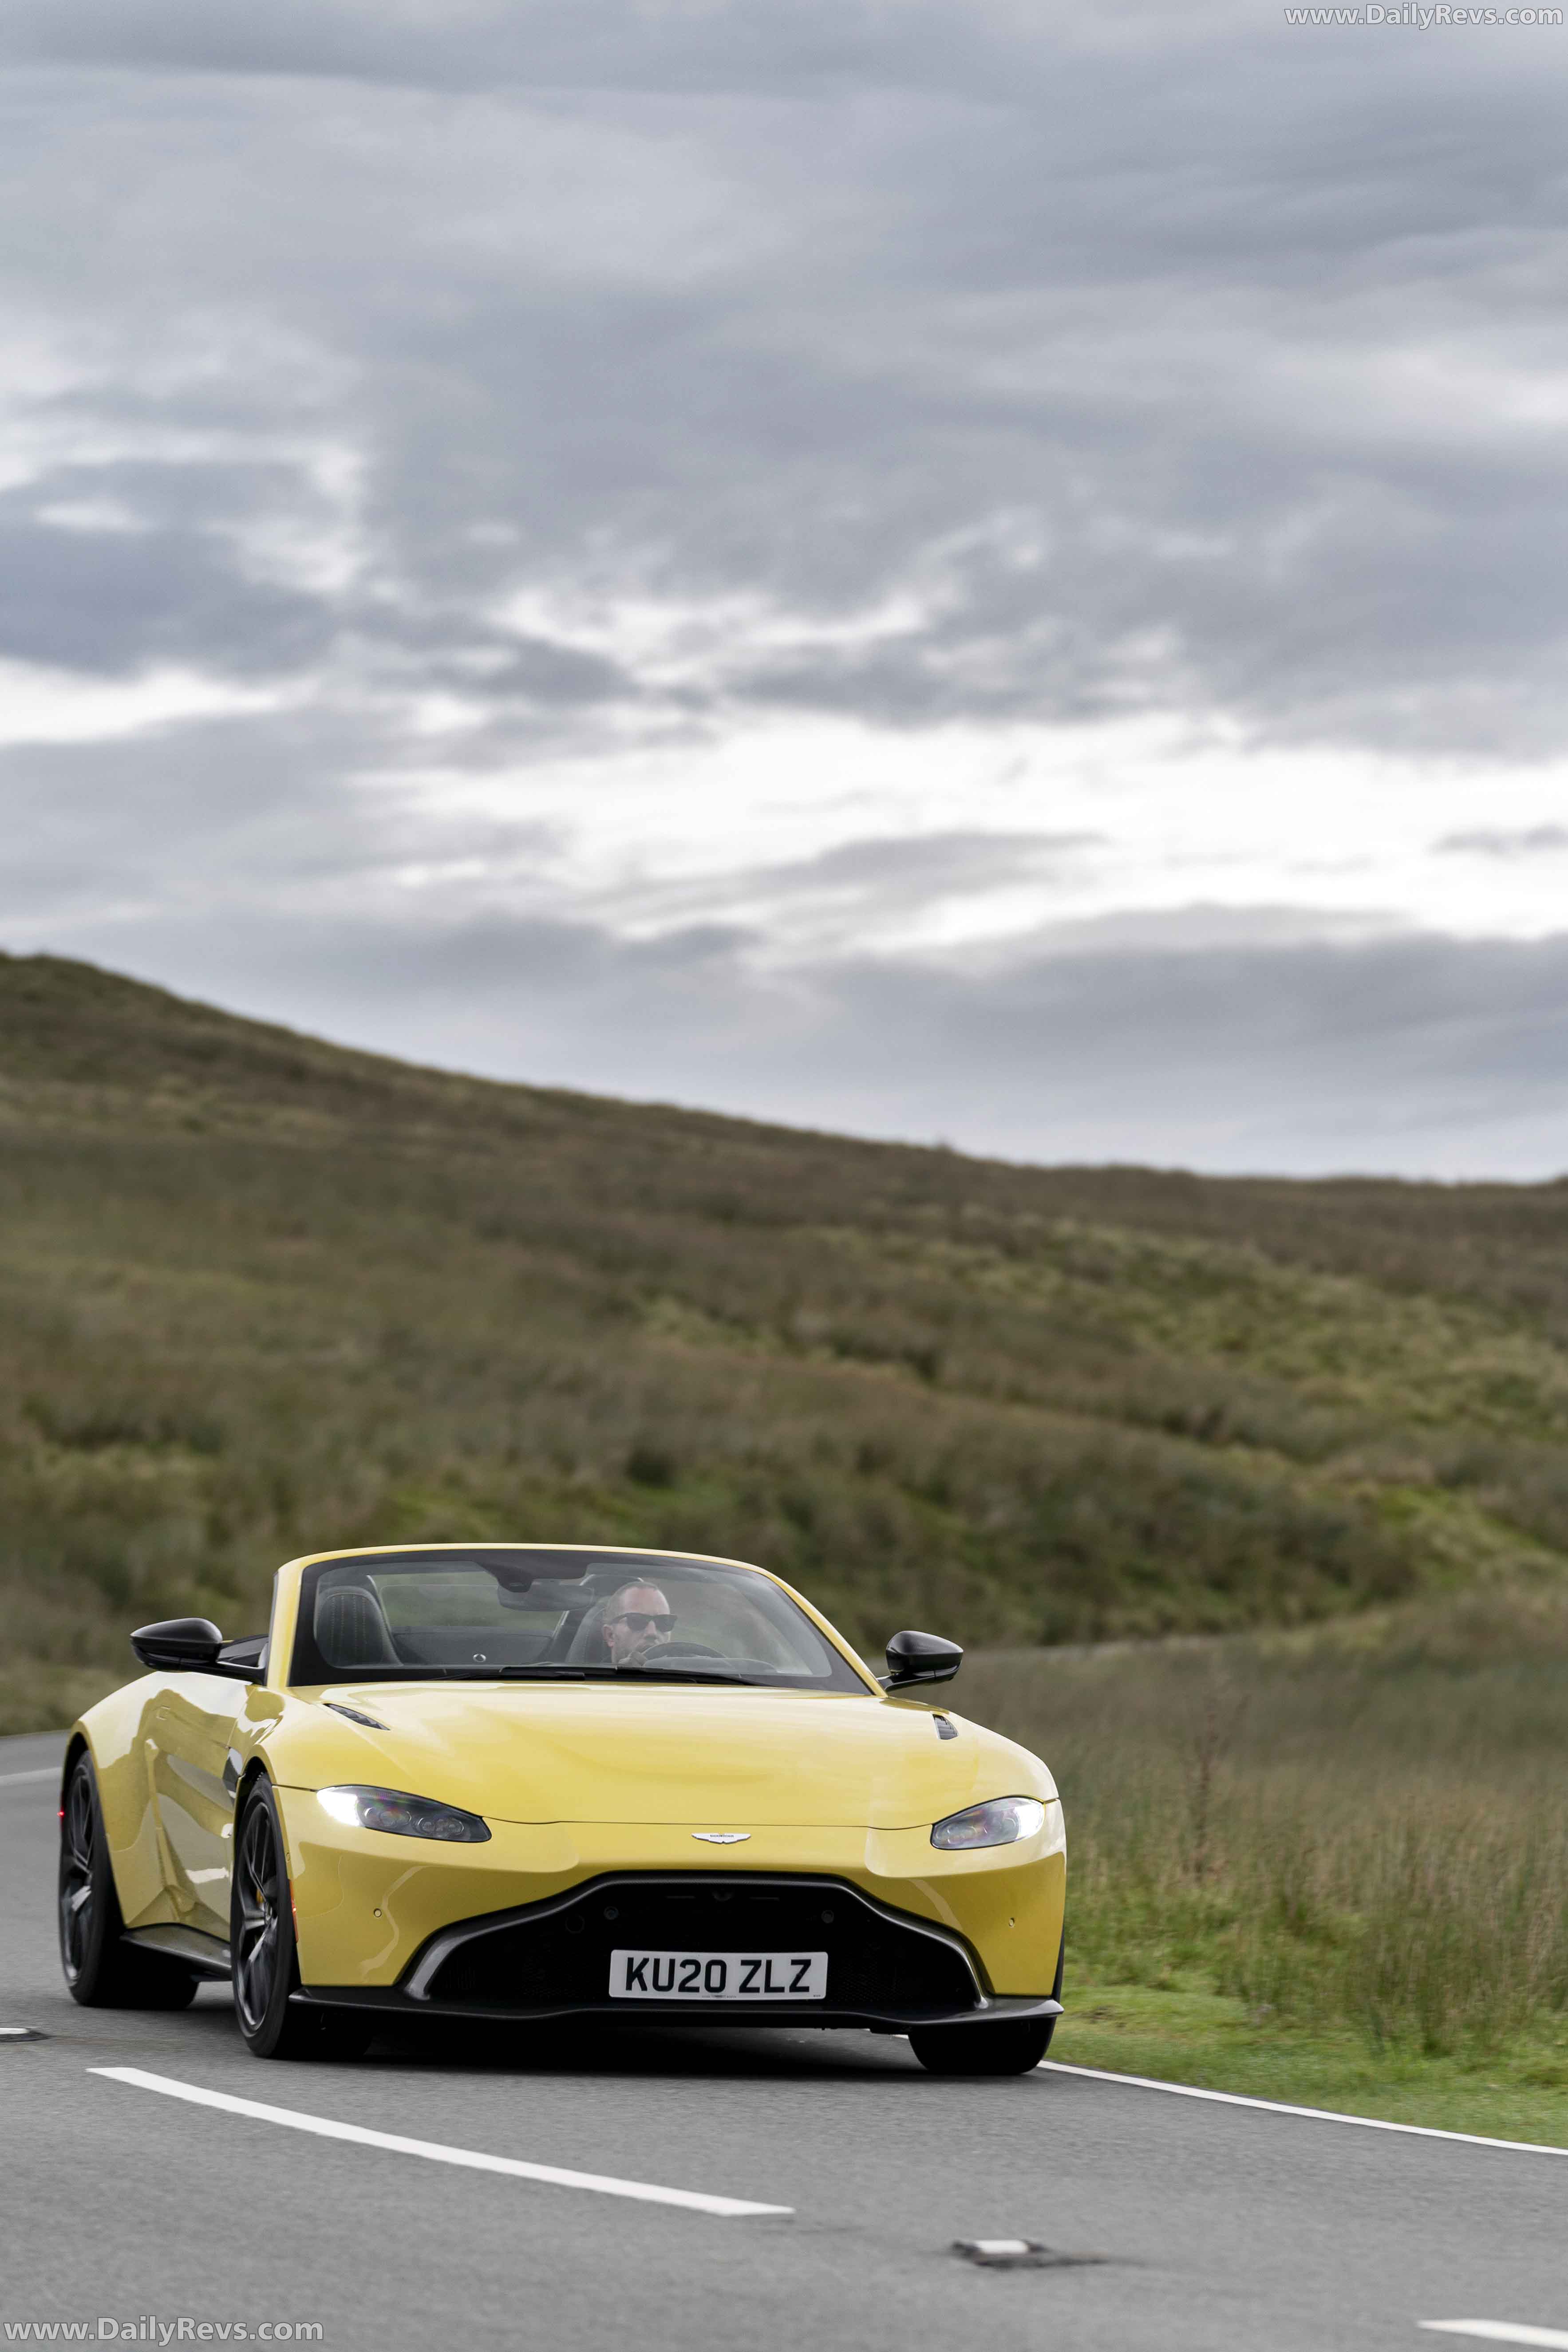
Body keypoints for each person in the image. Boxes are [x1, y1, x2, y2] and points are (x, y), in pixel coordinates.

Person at [600, 1582, 675, 1669]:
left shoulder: (687, 1675)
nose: (652, 1633)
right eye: (637, 1621)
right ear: (610, 1635)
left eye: (663, 1622)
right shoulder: (593, 1680)